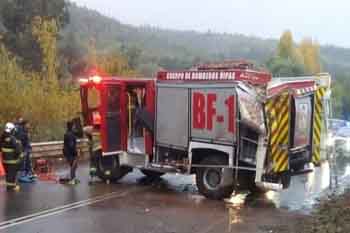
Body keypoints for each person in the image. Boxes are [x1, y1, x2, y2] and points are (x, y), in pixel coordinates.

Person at [0, 122, 23, 191]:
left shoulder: (2, 137)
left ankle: (9, 186)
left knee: (8, 174)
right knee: (12, 174)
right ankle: (11, 187)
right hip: (12, 160)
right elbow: (18, 150)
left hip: (4, 160)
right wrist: (19, 157)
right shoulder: (12, 139)